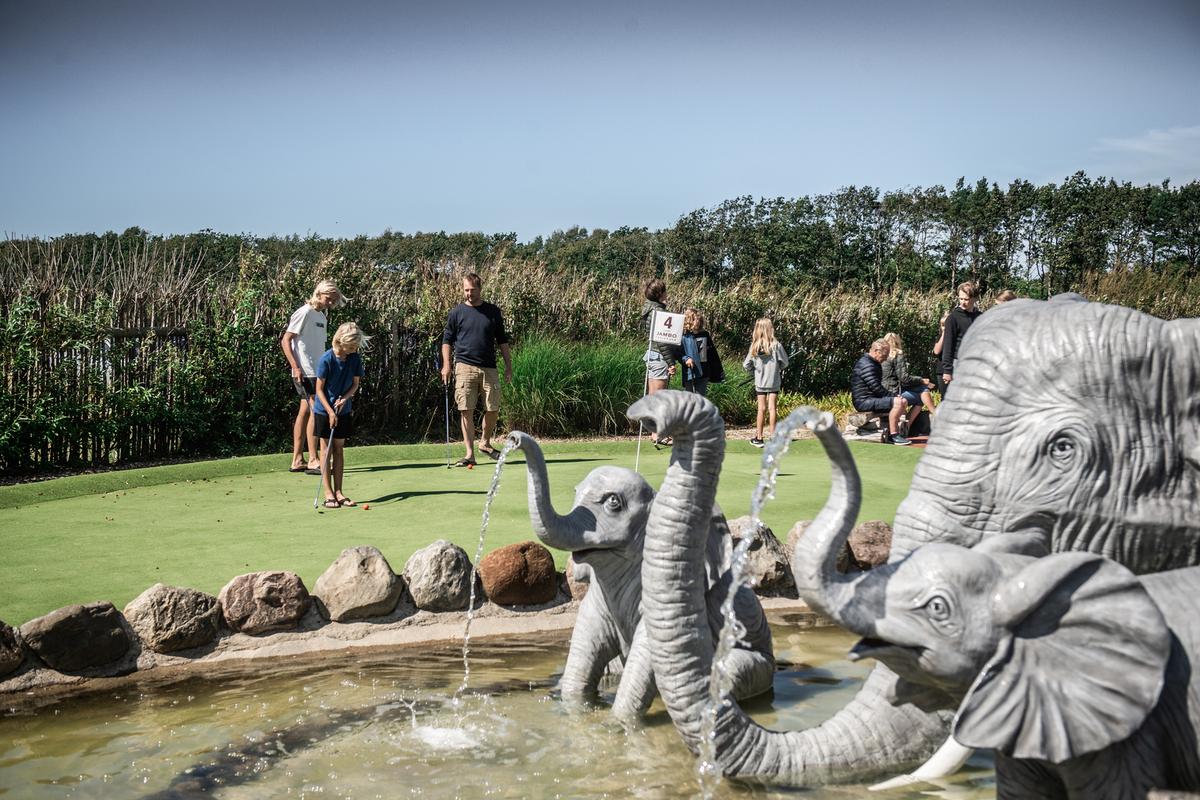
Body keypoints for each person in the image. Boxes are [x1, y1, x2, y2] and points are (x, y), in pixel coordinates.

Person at [440, 272, 513, 467]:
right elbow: (447, 341)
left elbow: (502, 340)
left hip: (489, 367)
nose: (469, 293)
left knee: (493, 408)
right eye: (466, 290)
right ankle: (469, 454)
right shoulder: (456, 313)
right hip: (464, 366)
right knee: (466, 409)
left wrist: (508, 366)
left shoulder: (492, 311)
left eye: (472, 290)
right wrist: (446, 365)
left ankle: (485, 443)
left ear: (480, 289)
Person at [281, 279, 345, 474]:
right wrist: (295, 367)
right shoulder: (304, 312)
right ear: (319, 293)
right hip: (305, 370)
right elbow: (286, 340)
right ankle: (313, 459)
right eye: (328, 298)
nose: (330, 302)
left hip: (318, 372)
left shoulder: (321, 317)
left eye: (333, 300)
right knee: (316, 410)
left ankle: (297, 460)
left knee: (305, 411)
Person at [312, 322, 368, 509]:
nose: (354, 349)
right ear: (341, 341)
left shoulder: (354, 358)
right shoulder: (326, 359)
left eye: (355, 346)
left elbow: (355, 384)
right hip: (323, 410)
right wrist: (329, 411)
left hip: (343, 409)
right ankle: (328, 493)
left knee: (339, 449)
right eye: (351, 346)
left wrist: (344, 399)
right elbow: (319, 389)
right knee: (326, 450)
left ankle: (339, 492)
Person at [638, 278, 679, 447]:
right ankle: (659, 435)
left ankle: (655, 433)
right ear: (660, 293)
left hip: (652, 355)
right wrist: (671, 362)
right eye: (665, 291)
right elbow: (661, 341)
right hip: (659, 356)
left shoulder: (648, 309)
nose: (667, 293)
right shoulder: (659, 312)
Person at [851, 339, 911, 446]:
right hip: (863, 402)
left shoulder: (873, 362)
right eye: (884, 355)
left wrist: (894, 396)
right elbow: (876, 388)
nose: (886, 358)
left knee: (904, 401)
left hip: (871, 398)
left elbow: (877, 389)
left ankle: (893, 431)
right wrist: (894, 396)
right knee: (898, 402)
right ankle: (894, 436)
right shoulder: (867, 365)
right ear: (876, 351)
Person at [742, 318, 788, 448]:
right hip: (773, 381)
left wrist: (755, 371)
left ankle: (759, 438)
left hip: (760, 382)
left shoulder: (754, 346)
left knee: (761, 409)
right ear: (770, 329)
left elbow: (746, 365)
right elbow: (785, 363)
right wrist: (777, 368)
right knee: (772, 408)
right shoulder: (776, 345)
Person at [881, 331, 935, 429]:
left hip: (882, 393)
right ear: (898, 342)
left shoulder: (881, 356)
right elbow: (904, 378)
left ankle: (907, 426)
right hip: (893, 394)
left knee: (922, 388)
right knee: (921, 394)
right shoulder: (897, 354)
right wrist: (921, 380)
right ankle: (934, 416)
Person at [941, 281, 983, 393]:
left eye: (966, 299)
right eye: (961, 299)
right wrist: (947, 370)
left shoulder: (980, 317)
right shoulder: (953, 318)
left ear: (974, 299)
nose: (963, 302)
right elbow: (948, 346)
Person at [679, 308, 715, 396]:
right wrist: (686, 359)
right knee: (689, 398)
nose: (698, 321)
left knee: (699, 398)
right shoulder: (684, 336)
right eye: (695, 319)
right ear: (689, 320)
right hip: (690, 372)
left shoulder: (705, 334)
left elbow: (711, 353)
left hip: (704, 372)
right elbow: (678, 353)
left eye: (699, 319)